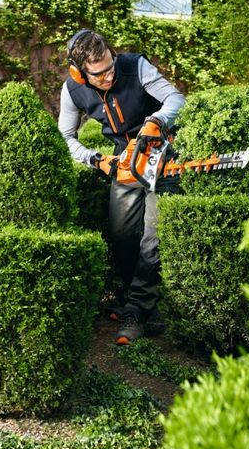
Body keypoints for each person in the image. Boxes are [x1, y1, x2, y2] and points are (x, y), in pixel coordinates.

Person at [58, 29, 185, 345]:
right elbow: (66, 137)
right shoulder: (72, 89)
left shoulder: (135, 65)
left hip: (161, 153)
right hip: (124, 160)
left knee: (152, 237)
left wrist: (156, 120)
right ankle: (142, 306)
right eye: (100, 74)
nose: (109, 76)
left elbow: (175, 98)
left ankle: (136, 315)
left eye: (111, 67)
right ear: (81, 72)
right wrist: (96, 160)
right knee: (122, 234)